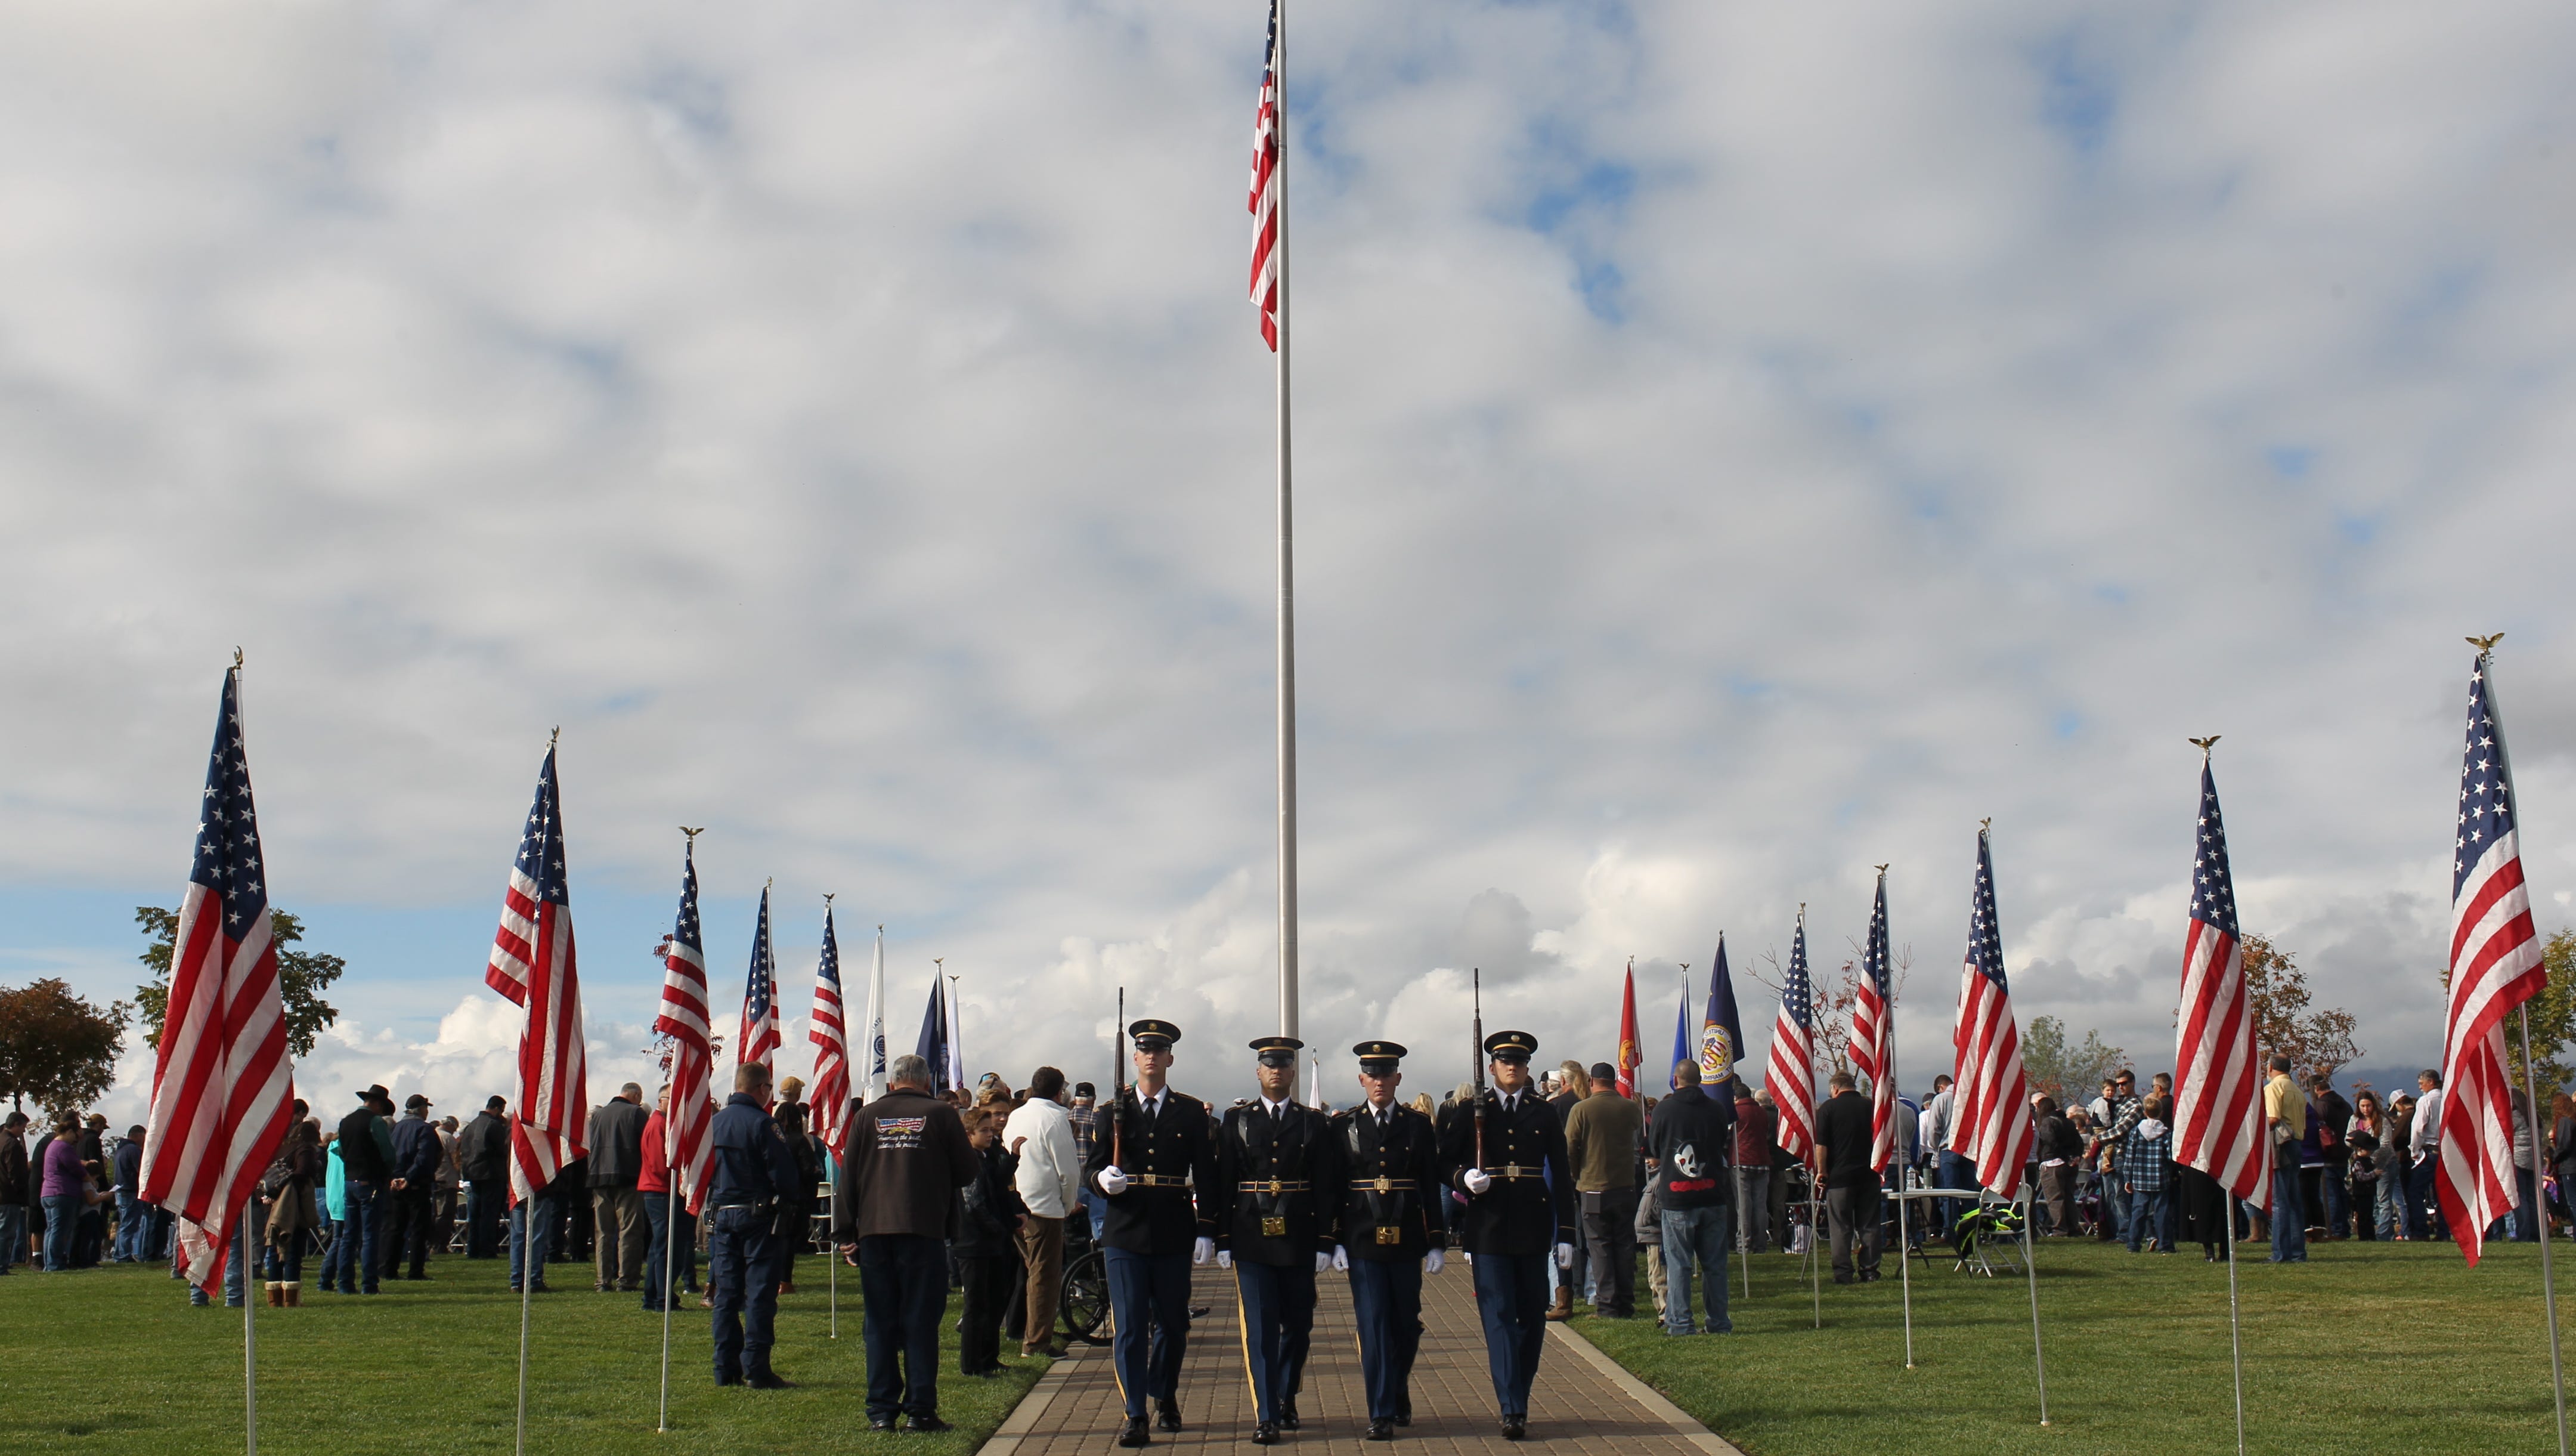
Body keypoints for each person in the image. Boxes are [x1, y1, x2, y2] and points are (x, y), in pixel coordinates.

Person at [1084, 1020, 1220, 1448]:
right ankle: (1136, 1412)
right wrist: (1101, 1180)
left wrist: (1207, 1229)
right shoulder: (1112, 1111)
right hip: (1125, 1230)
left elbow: (1208, 1174)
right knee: (1128, 1327)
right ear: (1136, 1056)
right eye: (1144, 1049)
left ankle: (1164, 1391)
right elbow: (1093, 1166)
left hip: (1173, 1227)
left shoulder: (1190, 1112)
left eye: (1159, 1049)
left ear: (1170, 1058)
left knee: (1174, 1324)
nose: (1151, 1056)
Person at [1438, 1030, 1576, 1441]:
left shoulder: (1542, 1111)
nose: (1512, 1066)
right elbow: (1442, 1162)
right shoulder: (1469, 1111)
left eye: (1518, 1060)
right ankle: (1512, 1407)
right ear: (1493, 1066)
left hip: (1533, 1224)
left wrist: (1565, 1231)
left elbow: (1562, 1173)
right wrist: (1464, 1177)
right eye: (1504, 1060)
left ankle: (1517, 1389)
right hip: (1490, 1225)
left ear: (1527, 1067)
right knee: (1499, 1317)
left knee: (1532, 1317)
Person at [837, 1052, 979, 1427]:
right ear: (926, 1080)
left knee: (880, 1322)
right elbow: (967, 1171)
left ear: (894, 1081)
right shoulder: (942, 1115)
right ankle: (920, 1409)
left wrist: (845, 1232)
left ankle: (881, 1411)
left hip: (875, 1232)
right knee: (919, 1322)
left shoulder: (866, 1117)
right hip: (924, 1230)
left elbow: (847, 1178)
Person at [1215, 1036, 1342, 1444]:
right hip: (1251, 1235)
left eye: (1283, 1064)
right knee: (1261, 1327)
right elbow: (1224, 1182)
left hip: (1300, 1235)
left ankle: (1286, 1392)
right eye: (1268, 1064)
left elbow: (1326, 1183)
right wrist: (1220, 1237)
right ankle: (1266, 1412)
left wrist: (1327, 1238)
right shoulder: (1237, 1120)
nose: (1276, 1070)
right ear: (1258, 1071)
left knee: (1299, 1325)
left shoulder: (1313, 1121)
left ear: (1293, 1072)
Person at [1332, 1040, 1444, 1441]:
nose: (1380, 1081)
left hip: (1408, 1235)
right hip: (1362, 1236)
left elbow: (1430, 1184)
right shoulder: (1343, 1125)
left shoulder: (1416, 1125)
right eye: (1372, 1074)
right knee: (1374, 1323)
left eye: (1387, 1074)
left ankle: (1397, 1387)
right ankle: (1381, 1410)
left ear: (1398, 1078)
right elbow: (1334, 1187)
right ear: (1362, 1079)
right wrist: (1335, 1239)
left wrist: (1437, 1240)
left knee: (1406, 1323)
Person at [705, 1062, 801, 1390]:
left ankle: (724, 1367)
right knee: (760, 1293)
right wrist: (792, 1200)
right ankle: (756, 1368)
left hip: (722, 1216)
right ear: (762, 1089)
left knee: (727, 1294)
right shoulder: (763, 1124)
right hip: (758, 1218)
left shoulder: (714, 1124)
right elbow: (783, 1174)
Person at [1648, 1059, 1732, 1336]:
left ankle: (1681, 1323)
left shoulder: (1664, 1109)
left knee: (1679, 1264)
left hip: (1677, 1197)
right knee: (1715, 1265)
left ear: (1676, 1079)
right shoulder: (1717, 1109)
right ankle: (1719, 1322)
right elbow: (1723, 1143)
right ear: (1700, 1080)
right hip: (1713, 1194)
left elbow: (1655, 1149)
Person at [1004, 1065, 1080, 1360]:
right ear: (1059, 1092)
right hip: (1045, 1208)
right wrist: (1067, 1203)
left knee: (1031, 1273)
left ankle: (1026, 1332)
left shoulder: (1016, 1115)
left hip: (1019, 1203)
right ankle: (1036, 1342)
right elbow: (1068, 1171)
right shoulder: (1054, 1118)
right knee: (1044, 1278)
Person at [1563, 1061, 1642, 1318]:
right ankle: (1626, 1302)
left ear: (1591, 1082)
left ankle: (1607, 1305)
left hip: (1593, 1187)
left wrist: (1576, 1176)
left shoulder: (1582, 1109)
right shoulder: (1631, 1108)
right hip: (1625, 1187)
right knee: (1624, 1245)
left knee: (1600, 1247)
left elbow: (1570, 1147)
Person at [955, 1106, 1027, 1378]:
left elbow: (999, 1186)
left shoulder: (986, 1157)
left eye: (991, 1130)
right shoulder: (970, 1161)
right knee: (976, 1305)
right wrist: (999, 1229)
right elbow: (975, 1205)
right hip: (974, 1243)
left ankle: (989, 1357)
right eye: (983, 1130)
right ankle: (972, 1364)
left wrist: (1013, 1159)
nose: (990, 1134)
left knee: (995, 1300)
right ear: (969, 1134)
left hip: (990, 1241)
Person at [1813, 1071, 1881, 1283]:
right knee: (1869, 1225)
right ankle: (1869, 1270)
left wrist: (1822, 1171)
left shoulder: (1828, 1108)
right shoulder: (1870, 1107)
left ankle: (1843, 1273)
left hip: (1840, 1178)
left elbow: (1821, 1145)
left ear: (1835, 1088)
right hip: (1869, 1175)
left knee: (1841, 1227)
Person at [639, 1084, 699, 1312]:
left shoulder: (661, 1124)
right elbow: (659, 1165)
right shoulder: (658, 1125)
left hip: (663, 1191)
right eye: (670, 1100)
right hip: (662, 1192)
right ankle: (660, 1297)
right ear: (661, 1101)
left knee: (662, 1246)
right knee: (667, 1247)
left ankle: (657, 1295)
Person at [586, 1081, 649, 1294]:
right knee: (629, 1230)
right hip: (628, 1176)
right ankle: (627, 1279)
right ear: (635, 1096)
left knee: (603, 1232)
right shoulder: (636, 1114)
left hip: (599, 1177)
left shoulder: (598, 1116)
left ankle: (603, 1280)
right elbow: (645, 1145)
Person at [335, 1086, 395, 1294]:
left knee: (348, 1236)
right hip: (371, 1181)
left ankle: (345, 1284)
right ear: (378, 1104)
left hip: (350, 1181)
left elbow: (341, 1151)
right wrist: (388, 1171)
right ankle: (369, 1284)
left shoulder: (345, 1122)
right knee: (370, 1235)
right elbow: (387, 1152)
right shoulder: (375, 1122)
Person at [262, 1110, 323, 1304]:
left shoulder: (284, 1147)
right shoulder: (305, 1149)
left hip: (277, 1202)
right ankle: (290, 1298)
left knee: (275, 1248)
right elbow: (302, 1172)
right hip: (294, 1203)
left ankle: (274, 1296)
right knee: (293, 1249)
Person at [388, 1093, 442, 1280]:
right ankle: (416, 1271)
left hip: (396, 1184)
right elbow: (424, 1158)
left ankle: (390, 1269)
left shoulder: (396, 1128)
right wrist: (409, 1178)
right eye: (426, 1108)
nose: (427, 1112)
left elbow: (389, 1154)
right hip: (417, 1184)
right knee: (419, 1229)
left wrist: (395, 1177)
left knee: (397, 1229)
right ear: (421, 1110)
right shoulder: (424, 1129)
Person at [2263, 1055, 2308, 1263]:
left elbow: (2272, 1119)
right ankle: (2298, 1251)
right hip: (2297, 1143)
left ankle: (2280, 1253)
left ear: (2271, 1067)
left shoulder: (2273, 1088)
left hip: (2280, 1145)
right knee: (2294, 1200)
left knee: (2279, 1201)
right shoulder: (2297, 1090)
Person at [2119, 1096, 2174, 1253]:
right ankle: (2166, 1245)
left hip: (2140, 1178)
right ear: (2161, 1113)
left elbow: (2130, 1157)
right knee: (2162, 1212)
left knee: (2138, 1211)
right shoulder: (2165, 1133)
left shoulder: (2136, 1132)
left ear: (2144, 1112)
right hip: (2160, 1177)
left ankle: (2133, 1244)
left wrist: (2127, 1178)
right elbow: (2169, 1156)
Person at [459, 1095, 510, 1259]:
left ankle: (472, 1248)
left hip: (473, 1173)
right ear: (497, 1109)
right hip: (491, 1174)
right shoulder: (494, 1125)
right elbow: (501, 1150)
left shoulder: (472, 1125)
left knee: (475, 1213)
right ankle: (487, 1249)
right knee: (490, 1213)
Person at [39, 1114, 88, 1272]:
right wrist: (89, 1178)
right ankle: (55, 1264)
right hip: (62, 1192)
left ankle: (49, 1263)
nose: (75, 1139)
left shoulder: (52, 1146)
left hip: (48, 1192)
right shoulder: (64, 1148)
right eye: (75, 1134)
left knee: (51, 1229)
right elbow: (75, 1167)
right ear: (68, 1132)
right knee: (60, 1230)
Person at [1731, 1081, 1773, 1253]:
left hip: (1741, 1161)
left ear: (1736, 1098)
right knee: (1760, 1206)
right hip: (1762, 1161)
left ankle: (1744, 1244)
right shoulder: (1762, 1112)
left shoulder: (1736, 1112)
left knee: (1743, 1206)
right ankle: (1760, 1244)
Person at [2032, 1097, 2079, 1235]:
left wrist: (2063, 1156)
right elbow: (2079, 1142)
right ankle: (2072, 1228)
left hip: (2052, 1163)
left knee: (2055, 1198)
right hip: (2070, 1165)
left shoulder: (2047, 1123)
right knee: (2069, 1197)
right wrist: (2074, 1156)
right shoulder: (2069, 1122)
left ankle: (2060, 1229)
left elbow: (2050, 1141)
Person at [2408, 1069, 2445, 1241]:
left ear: (2430, 1082)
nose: (2420, 1086)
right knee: (2443, 1193)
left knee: (2416, 1192)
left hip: (2430, 1150)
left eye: (2422, 1083)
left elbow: (2418, 1128)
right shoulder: (2447, 1098)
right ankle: (2444, 1232)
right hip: (2446, 1151)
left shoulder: (2426, 1101)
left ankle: (2421, 1231)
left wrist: (2414, 1150)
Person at [0, 1110, 28, 1274]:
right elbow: (15, 1172)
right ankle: (2, 1265)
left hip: (2, 1192)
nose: (24, 1131)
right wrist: (21, 1188)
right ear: (16, 1124)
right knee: (6, 1233)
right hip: (10, 1195)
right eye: (23, 1127)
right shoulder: (12, 1144)